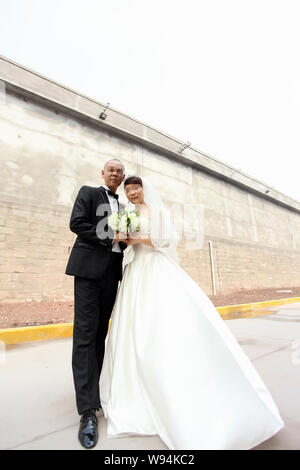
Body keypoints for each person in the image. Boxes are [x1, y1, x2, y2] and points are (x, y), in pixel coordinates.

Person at [99, 175, 284, 450]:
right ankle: (133, 387)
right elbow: (125, 243)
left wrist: (136, 238)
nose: (132, 192)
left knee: (164, 325)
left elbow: (166, 239)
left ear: (144, 189)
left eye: (135, 188)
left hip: (155, 269)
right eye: (128, 190)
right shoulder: (128, 213)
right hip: (135, 272)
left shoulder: (156, 211)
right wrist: (124, 238)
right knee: (132, 330)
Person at [65, 159, 127, 449]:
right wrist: (110, 236)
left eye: (119, 171)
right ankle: (87, 411)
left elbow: (122, 242)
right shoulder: (89, 193)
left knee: (100, 337)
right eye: (110, 169)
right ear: (103, 173)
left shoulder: (124, 207)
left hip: (111, 274)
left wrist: (127, 238)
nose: (115, 173)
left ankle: (95, 392)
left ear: (123, 177)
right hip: (89, 272)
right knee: (85, 338)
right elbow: (77, 224)